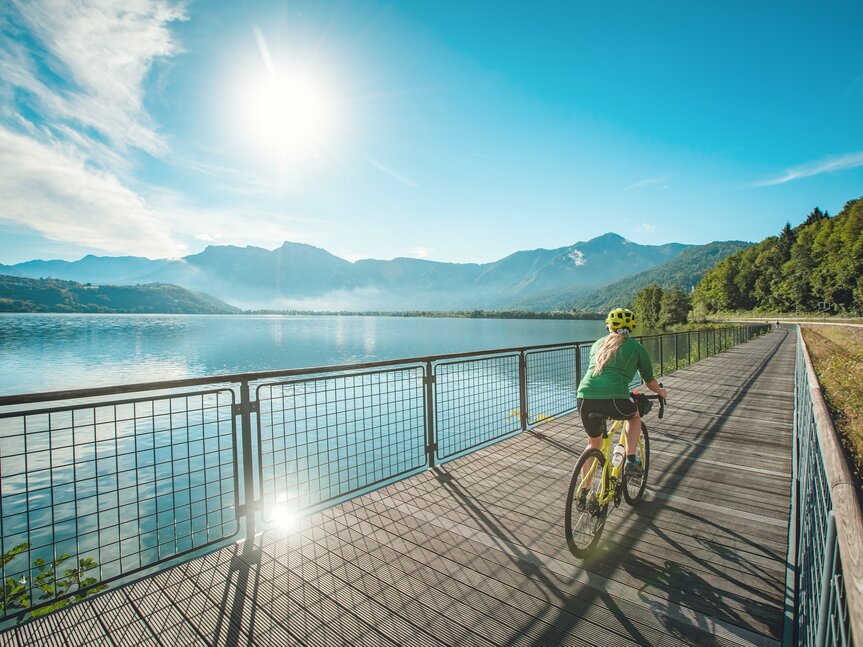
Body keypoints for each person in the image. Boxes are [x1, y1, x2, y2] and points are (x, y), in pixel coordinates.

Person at [576, 308, 667, 477]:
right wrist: (660, 391)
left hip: (584, 398)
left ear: (609, 327)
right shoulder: (636, 347)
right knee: (634, 417)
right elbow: (649, 380)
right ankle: (630, 460)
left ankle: (584, 490)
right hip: (615, 400)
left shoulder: (597, 344)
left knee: (594, 444)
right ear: (631, 328)